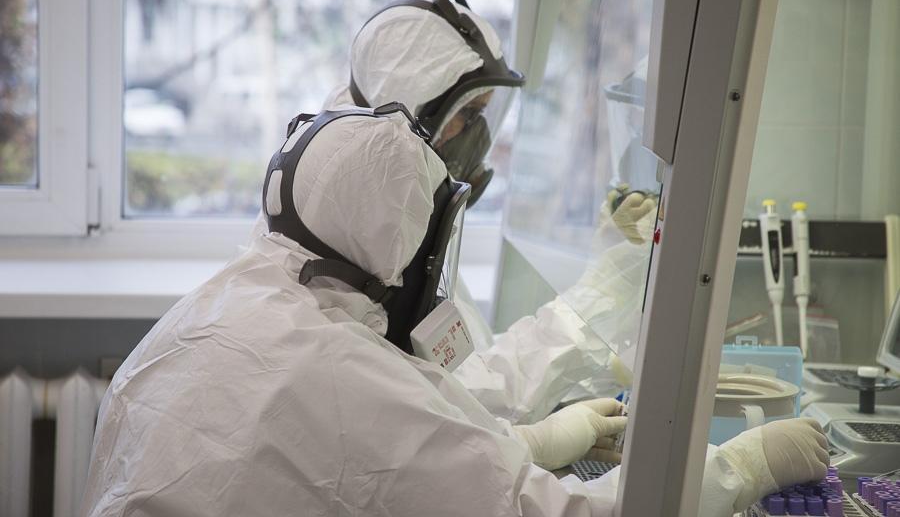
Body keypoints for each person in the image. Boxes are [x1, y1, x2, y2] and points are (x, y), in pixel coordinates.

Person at [82, 104, 829, 517]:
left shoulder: (222, 305)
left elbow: (401, 441)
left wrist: (531, 442)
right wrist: (740, 467)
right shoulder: (335, 363)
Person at [323, 0, 660, 424]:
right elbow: (466, 402)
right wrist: (604, 291)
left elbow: (467, 362)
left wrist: (608, 288)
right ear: (410, 109)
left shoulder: (391, 211)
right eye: (468, 115)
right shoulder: (359, 235)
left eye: (485, 115)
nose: (478, 137)